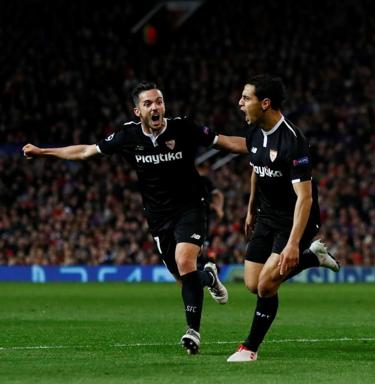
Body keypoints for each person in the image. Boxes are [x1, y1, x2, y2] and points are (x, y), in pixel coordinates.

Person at [22, 82, 248, 354]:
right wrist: (43, 151)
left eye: (159, 101)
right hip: (157, 217)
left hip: (191, 207)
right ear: (137, 111)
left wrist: (263, 144)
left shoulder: (183, 127)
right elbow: (85, 152)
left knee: (184, 261)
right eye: (148, 104)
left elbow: (226, 142)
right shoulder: (127, 136)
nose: (156, 107)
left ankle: (193, 333)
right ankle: (209, 277)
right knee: (184, 279)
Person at [224, 74, 340, 363]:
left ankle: (250, 347)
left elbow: (306, 197)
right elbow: (256, 167)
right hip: (266, 216)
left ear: (265, 103)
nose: (240, 103)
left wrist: (292, 244)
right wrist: (251, 208)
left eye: (246, 98)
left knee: (266, 286)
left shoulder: (293, 139)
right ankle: (313, 258)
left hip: (295, 220)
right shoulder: (253, 133)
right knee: (252, 284)